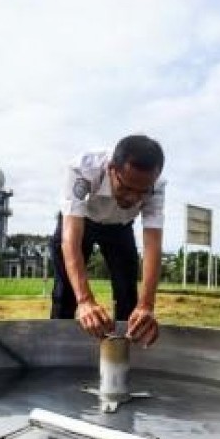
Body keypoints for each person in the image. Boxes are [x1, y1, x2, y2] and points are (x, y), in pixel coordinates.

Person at [49, 134, 165, 347]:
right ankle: (58, 351)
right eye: (126, 187)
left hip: (120, 228)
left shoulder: (156, 185)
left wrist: (147, 305)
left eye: (142, 192)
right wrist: (85, 301)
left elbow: (153, 245)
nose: (133, 198)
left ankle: (122, 357)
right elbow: (71, 239)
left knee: (128, 296)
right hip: (81, 222)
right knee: (66, 293)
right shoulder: (83, 170)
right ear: (111, 168)